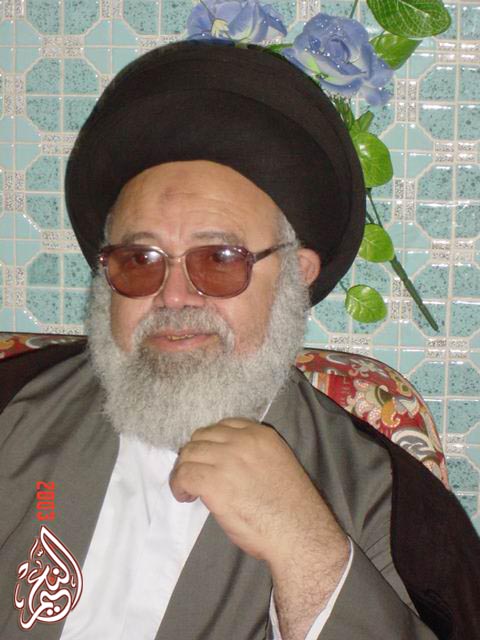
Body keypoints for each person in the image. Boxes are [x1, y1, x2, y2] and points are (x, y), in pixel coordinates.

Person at [0, 41, 479, 640]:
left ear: (295, 276)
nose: (174, 297)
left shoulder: (384, 502)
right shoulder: (13, 411)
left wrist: (309, 551)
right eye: (141, 260)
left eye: (219, 259)